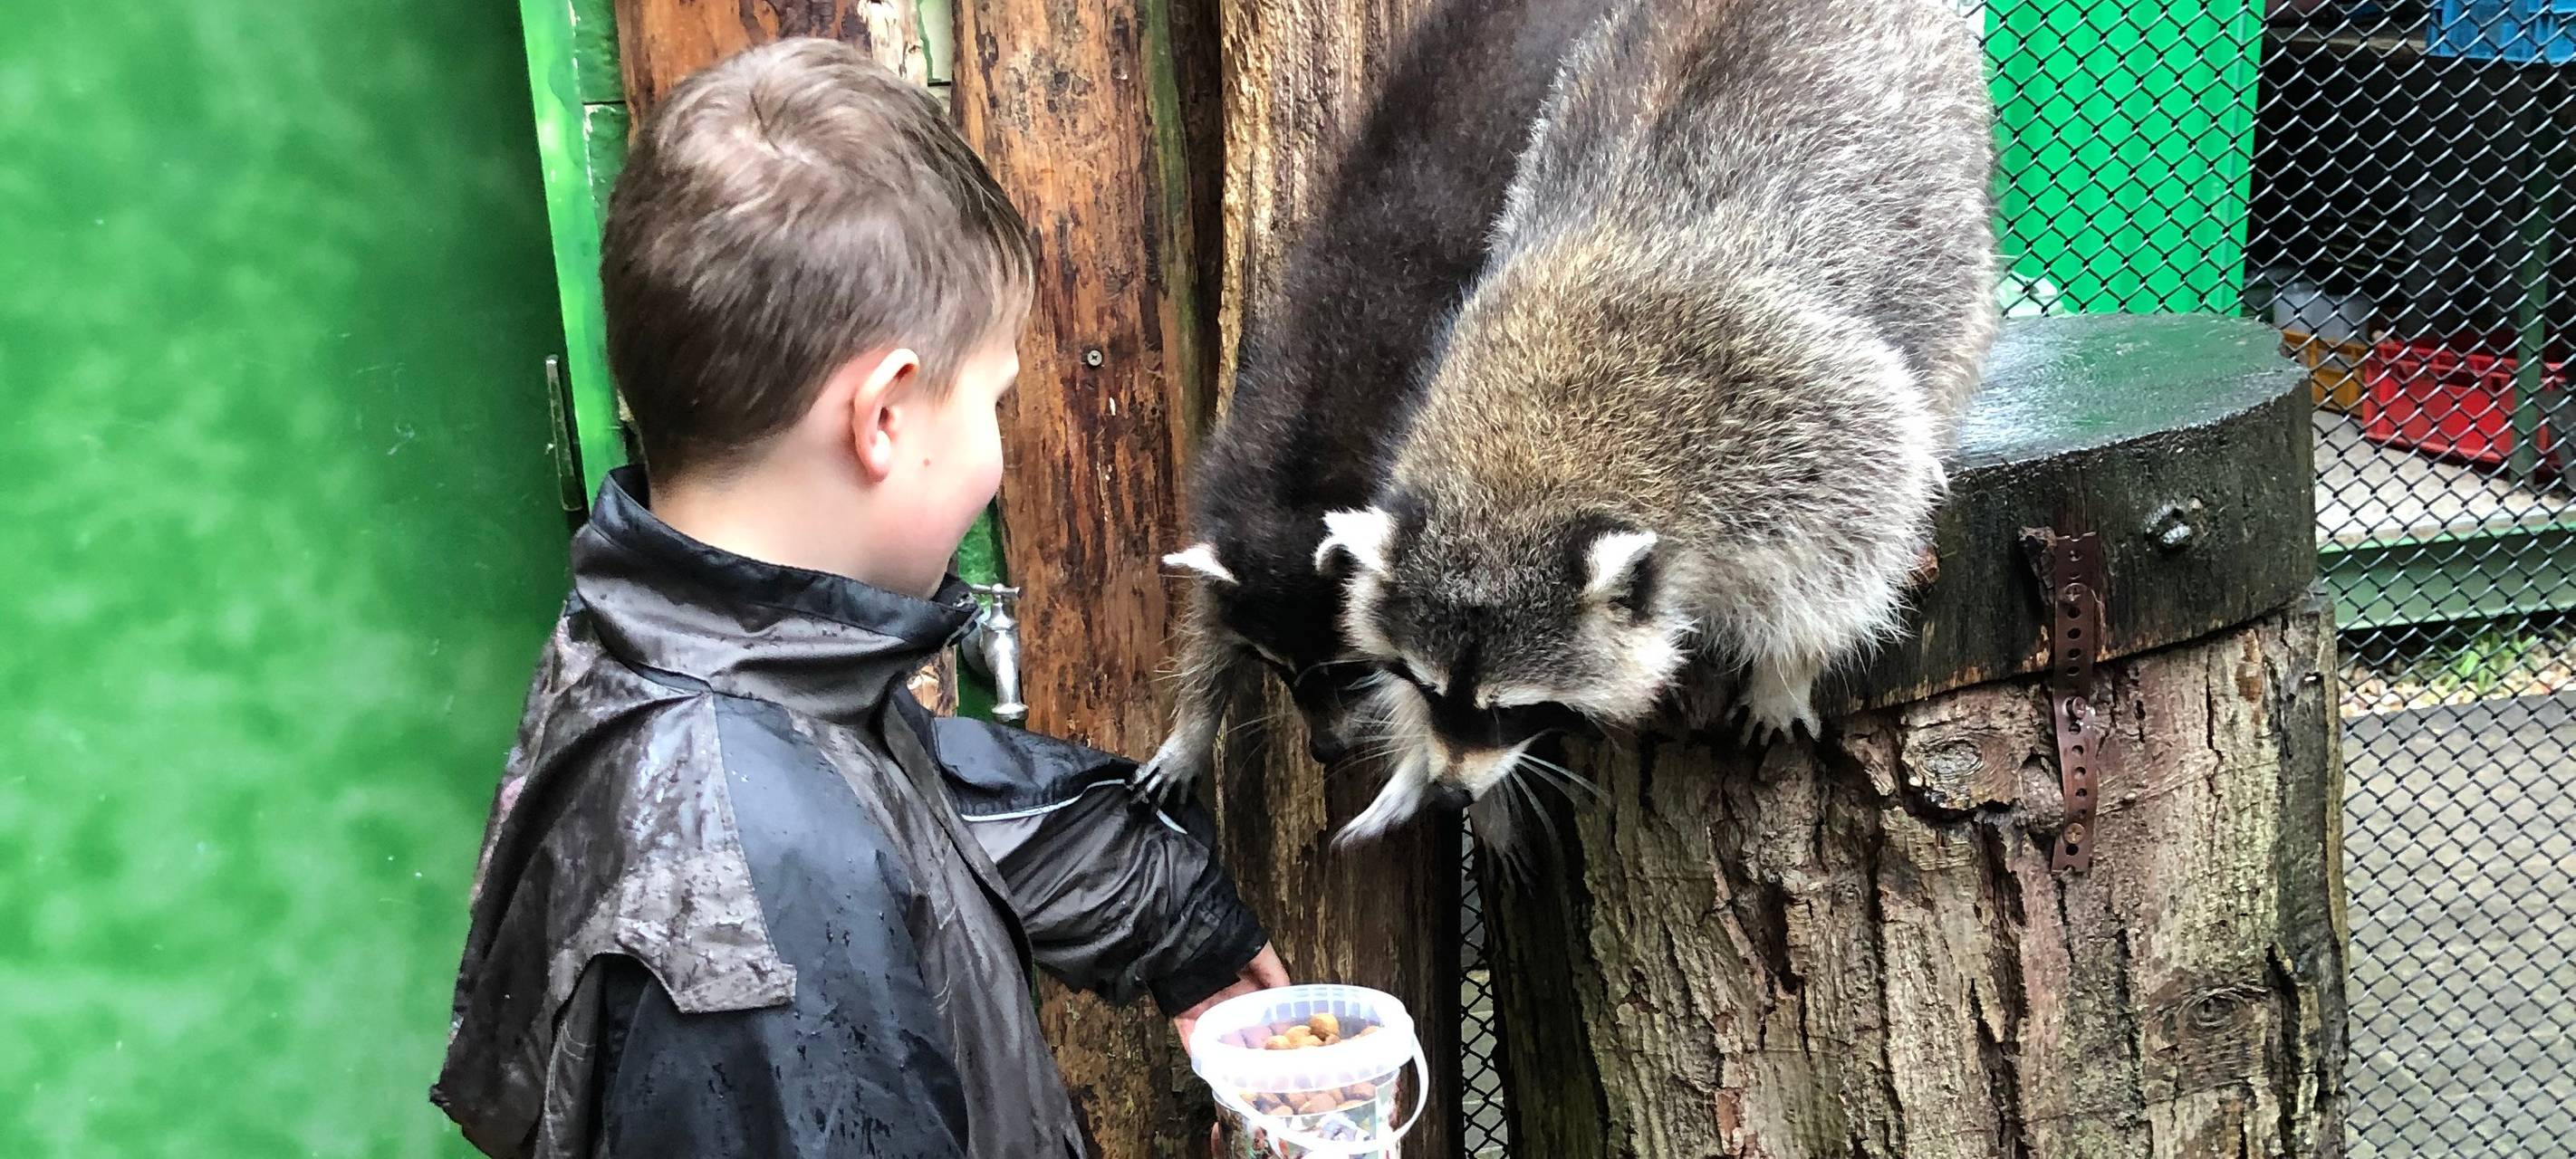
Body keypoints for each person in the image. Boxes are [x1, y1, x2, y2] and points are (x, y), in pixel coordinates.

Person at [429, 38, 1285, 1158]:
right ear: (883, 415)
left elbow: (899, 793)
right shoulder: (756, 935)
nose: (994, 450)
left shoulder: (663, 635)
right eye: (993, 397)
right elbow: (807, 865)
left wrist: (1163, 893)